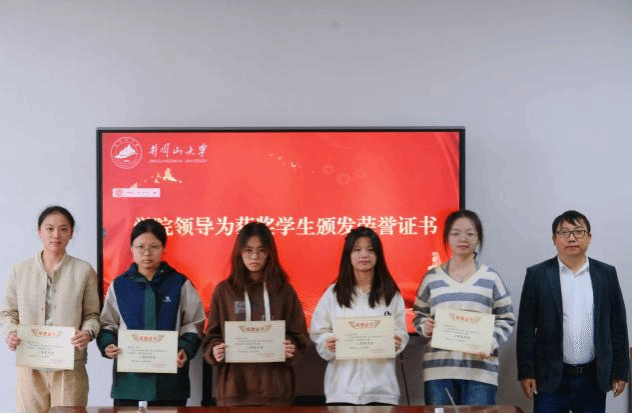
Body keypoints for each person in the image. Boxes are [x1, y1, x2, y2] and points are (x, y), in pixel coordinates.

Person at [516, 210, 630, 413]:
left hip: (593, 377)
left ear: (589, 237)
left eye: (578, 231)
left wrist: (621, 371)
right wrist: (526, 372)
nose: (571, 238)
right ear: (554, 239)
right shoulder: (537, 275)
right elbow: (525, 329)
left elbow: (618, 326)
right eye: (564, 232)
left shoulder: (606, 274)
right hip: (549, 377)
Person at [0, 205, 100, 413]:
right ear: (39, 232)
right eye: (50, 229)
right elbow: (8, 313)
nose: (56, 235)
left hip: (69, 365)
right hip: (30, 364)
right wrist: (11, 333)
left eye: (63, 229)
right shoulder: (21, 269)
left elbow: (92, 315)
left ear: (71, 233)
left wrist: (88, 332)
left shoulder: (84, 270)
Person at [97, 218, 205, 407]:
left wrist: (184, 349)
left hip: (169, 380)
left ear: (163, 249)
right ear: (131, 248)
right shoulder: (119, 285)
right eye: (140, 247)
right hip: (129, 380)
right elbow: (107, 323)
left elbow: (193, 323)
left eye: (154, 247)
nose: (147, 253)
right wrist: (108, 344)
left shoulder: (179, 283)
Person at [413, 210, 515, 405]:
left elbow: (507, 318)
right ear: (447, 238)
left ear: (478, 238)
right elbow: (418, 315)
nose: (463, 239)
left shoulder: (490, 278)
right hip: (439, 372)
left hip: (480, 373)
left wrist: (491, 341)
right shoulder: (432, 278)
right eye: (456, 233)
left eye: (470, 233)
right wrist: (424, 326)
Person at [202, 222, 310, 406]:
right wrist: (215, 350)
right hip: (233, 390)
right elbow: (211, 336)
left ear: (270, 254)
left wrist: (290, 348)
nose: (254, 256)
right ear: (239, 253)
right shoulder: (224, 291)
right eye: (248, 250)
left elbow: (299, 336)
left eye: (261, 251)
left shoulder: (284, 291)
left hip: (275, 390)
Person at [310, 226, 409, 405]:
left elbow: (401, 331)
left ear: (378, 255)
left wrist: (397, 340)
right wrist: (328, 343)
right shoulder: (333, 293)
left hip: (382, 391)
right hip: (341, 390)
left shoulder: (390, 293)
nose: (364, 255)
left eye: (370, 250)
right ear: (348, 255)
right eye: (357, 249)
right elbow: (318, 331)